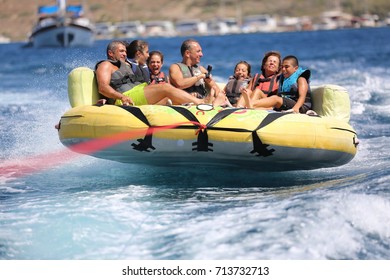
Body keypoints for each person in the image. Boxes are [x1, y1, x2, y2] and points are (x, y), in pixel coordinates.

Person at [95, 40, 226, 106]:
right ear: (111, 53)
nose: (124, 54)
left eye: (125, 51)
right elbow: (103, 87)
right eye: (121, 51)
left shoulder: (126, 65)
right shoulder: (106, 65)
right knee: (165, 87)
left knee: (169, 100)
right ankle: (202, 103)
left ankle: (202, 108)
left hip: (139, 91)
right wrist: (120, 97)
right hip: (127, 97)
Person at [241, 55, 312, 113]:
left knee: (275, 98)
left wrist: (295, 109)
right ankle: (249, 107)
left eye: (286, 67)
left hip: (300, 107)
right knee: (258, 91)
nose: (283, 69)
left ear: (295, 68)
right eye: (282, 67)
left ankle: (250, 105)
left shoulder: (301, 78)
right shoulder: (283, 79)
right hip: (286, 104)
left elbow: (302, 97)